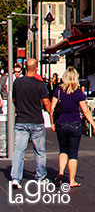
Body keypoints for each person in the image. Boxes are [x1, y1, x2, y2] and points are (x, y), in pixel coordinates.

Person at [52, 66, 95, 188]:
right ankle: (72, 180)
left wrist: (53, 123)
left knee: (63, 150)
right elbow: (85, 111)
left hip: (61, 124)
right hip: (75, 124)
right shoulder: (78, 92)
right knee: (73, 153)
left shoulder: (58, 91)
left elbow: (52, 108)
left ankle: (61, 172)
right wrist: (93, 126)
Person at [9, 57, 51, 193]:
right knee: (39, 151)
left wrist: (20, 107)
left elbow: (14, 99)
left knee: (19, 151)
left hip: (21, 120)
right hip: (36, 120)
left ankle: (16, 178)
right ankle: (41, 177)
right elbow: (46, 103)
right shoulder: (39, 84)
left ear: (25, 68)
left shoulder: (17, 83)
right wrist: (51, 113)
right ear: (36, 68)